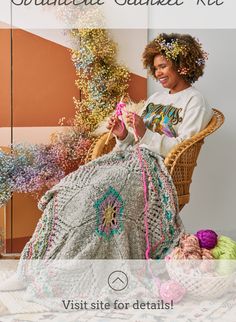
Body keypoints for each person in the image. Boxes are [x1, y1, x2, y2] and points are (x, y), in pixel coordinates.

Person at [0, 33, 212, 293]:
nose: (158, 73)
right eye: (155, 67)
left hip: (155, 171)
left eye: (163, 66)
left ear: (183, 64)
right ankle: (30, 269)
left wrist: (145, 133)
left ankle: (66, 272)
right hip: (128, 161)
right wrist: (123, 134)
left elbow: (183, 146)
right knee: (69, 191)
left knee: (97, 196)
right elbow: (134, 141)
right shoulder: (156, 99)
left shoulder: (195, 101)